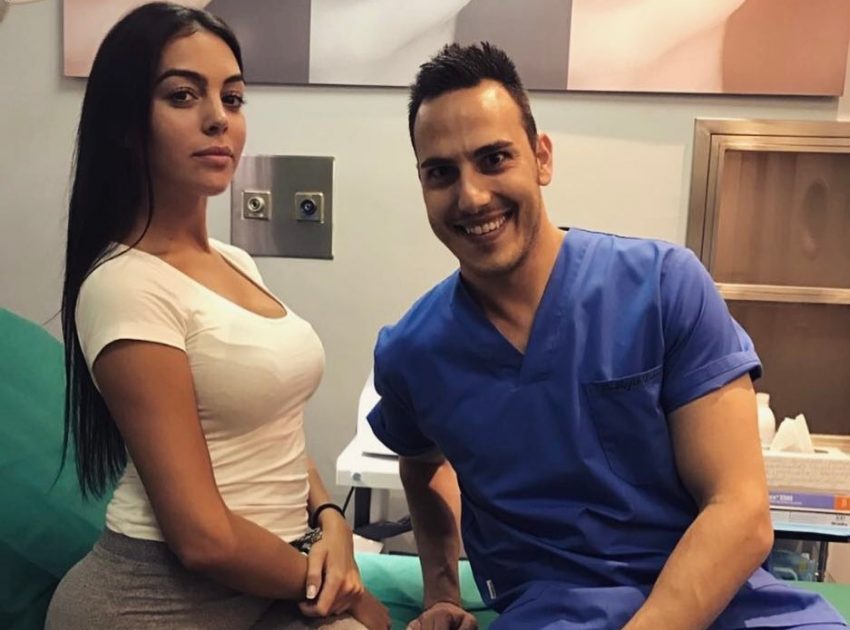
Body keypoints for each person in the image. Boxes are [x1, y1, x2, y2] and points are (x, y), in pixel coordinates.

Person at [367, 42, 848, 629]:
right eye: (441, 173)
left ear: (541, 158)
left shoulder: (662, 288)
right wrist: (441, 591)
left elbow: (741, 511)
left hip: (724, 600)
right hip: (556, 613)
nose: (471, 196)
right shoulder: (415, 351)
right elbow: (420, 462)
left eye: (494, 158)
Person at [48, 4, 389, 629]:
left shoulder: (235, 262)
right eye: (183, 95)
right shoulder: (123, 285)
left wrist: (329, 519)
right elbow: (202, 538)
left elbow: (272, 428)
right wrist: (344, 592)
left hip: (269, 575)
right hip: (155, 603)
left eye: (232, 98)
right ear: (125, 124)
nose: (218, 119)